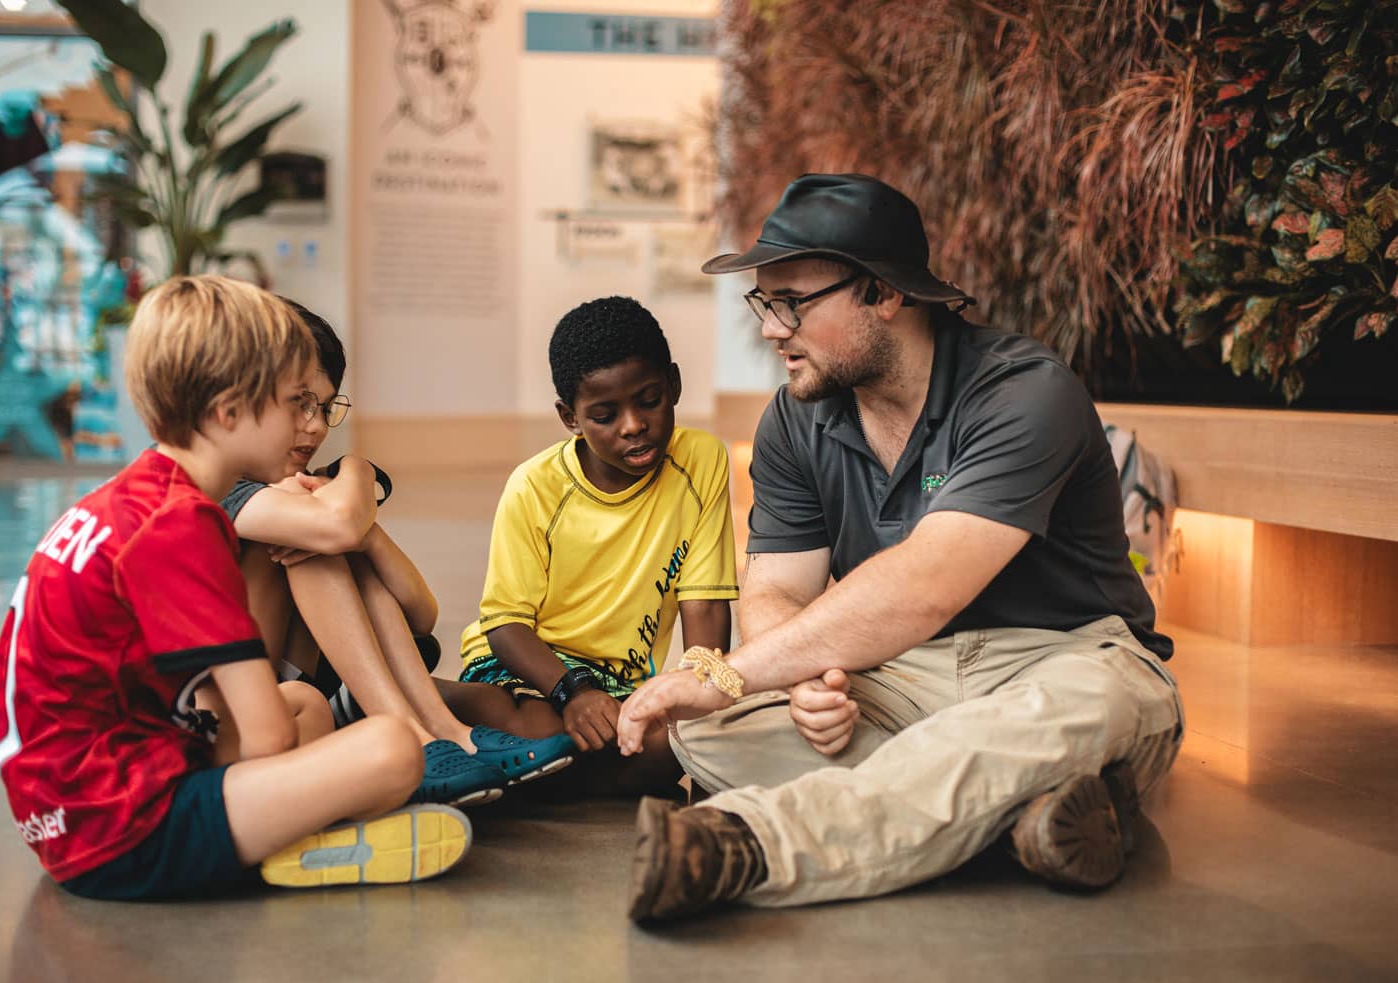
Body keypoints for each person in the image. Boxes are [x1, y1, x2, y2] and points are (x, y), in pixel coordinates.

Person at [615, 173, 1184, 921]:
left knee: (1077, 709)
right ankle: (1020, 817)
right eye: (763, 301)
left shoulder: (1025, 392)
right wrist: (804, 681)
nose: (769, 329)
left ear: (884, 293)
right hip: (898, 677)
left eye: (792, 302)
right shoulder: (794, 419)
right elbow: (775, 589)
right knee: (707, 728)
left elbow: (925, 587)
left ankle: (747, 845)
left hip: (1065, 658)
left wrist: (733, 673)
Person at [0, 275, 471, 900]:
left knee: (309, 704)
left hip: (68, 809)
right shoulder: (181, 524)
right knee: (389, 748)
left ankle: (278, 827)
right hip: (117, 831)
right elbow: (266, 736)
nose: (311, 423)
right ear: (229, 412)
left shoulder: (135, 497)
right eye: (294, 401)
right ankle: (285, 845)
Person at [218, 300, 575, 806]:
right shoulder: (229, 490)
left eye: (325, 407)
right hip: (268, 709)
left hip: (322, 691)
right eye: (299, 404)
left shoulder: (314, 493)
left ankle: (444, 731)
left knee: (329, 534)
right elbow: (337, 525)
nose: (317, 426)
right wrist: (358, 473)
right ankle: (417, 734)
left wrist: (366, 532)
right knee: (318, 536)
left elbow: (421, 613)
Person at [439, 296, 739, 796]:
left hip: (618, 686)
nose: (632, 425)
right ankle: (425, 704)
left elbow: (705, 605)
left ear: (675, 385)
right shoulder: (534, 486)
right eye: (605, 414)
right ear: (570, 417)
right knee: (538, 723)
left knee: (672, 748)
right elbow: (505, 624)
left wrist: (704, 708)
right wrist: (573, 691)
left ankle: (497, 763)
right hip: (535, 671)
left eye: (649, 400)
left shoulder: (701, 461)